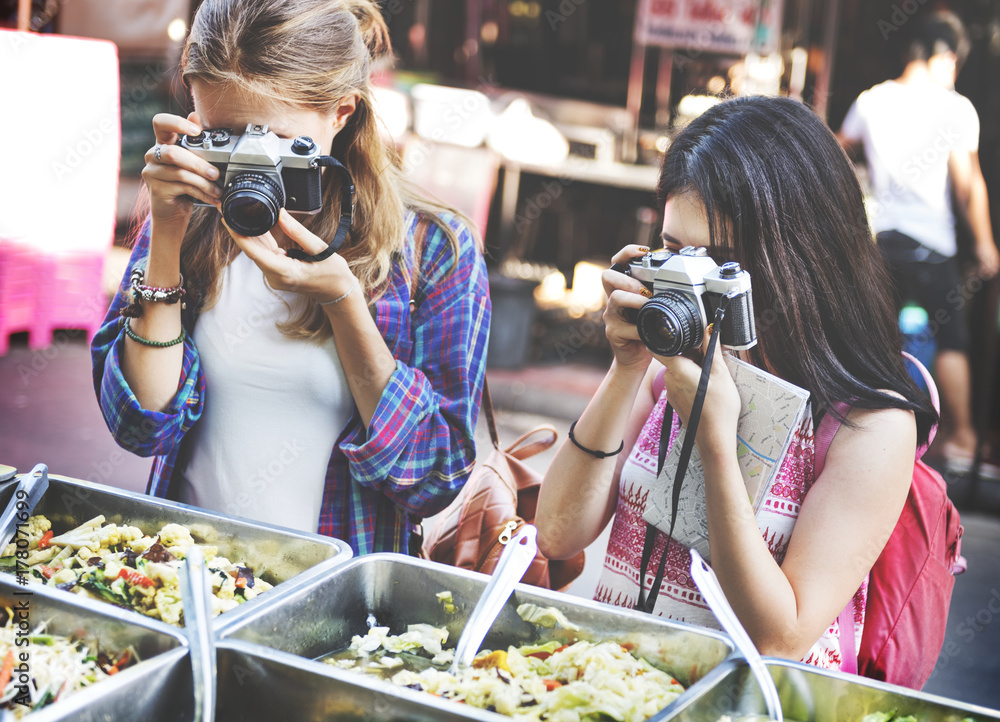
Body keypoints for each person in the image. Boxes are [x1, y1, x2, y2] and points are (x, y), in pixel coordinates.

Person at [535, 96, 937, 670]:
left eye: (720, 263)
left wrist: (718, 444)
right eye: (674, 252)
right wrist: (626, 366)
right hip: (624, 690)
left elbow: (780, 638)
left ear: (802, 256)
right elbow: (557, 533)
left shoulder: (869, 426)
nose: (690, 283)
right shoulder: (670, 368)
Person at [91, 0, 491, 556]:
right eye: (225, 135)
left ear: (342, 112)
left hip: (334, 610)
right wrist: (166, 233)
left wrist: (345, 304)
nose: (252, 162)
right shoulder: (192, 212)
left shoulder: (431, 249)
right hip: (182, 581)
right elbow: (140, 425)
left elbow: (433, 478)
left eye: (277, 140)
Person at [837, 10, 999, 472]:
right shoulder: (954, 107)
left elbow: (837, 147)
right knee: (951, 339)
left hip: (885, 243)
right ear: (943, 56)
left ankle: (863, 428)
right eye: (954, 63)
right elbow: (968, 186)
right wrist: (985, 243)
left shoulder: (872, 101)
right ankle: (963, 438)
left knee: (875, 337)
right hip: (933, 247)